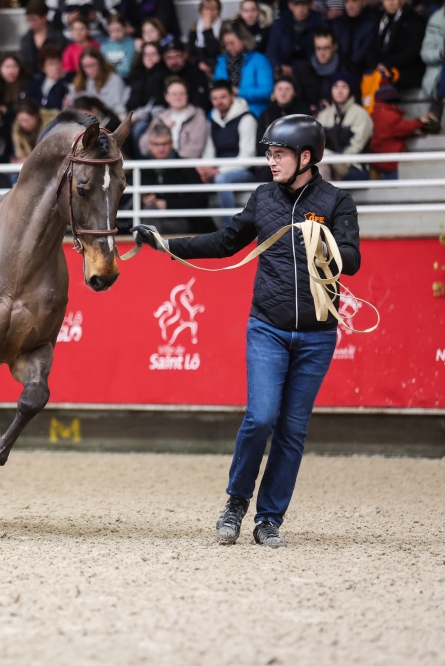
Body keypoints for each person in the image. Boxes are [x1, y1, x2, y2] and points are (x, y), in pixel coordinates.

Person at [131, 115, 362, 549]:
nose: (271, 161)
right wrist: (167, 245)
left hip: (317, 337)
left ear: (306, 157)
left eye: (279, 154)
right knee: (260, 418)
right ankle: (236, 503)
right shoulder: (263, 196)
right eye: (269, 154)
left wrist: (321, 240)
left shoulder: (337, 201)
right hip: (267, 328)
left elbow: (352, 260)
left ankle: (269, 519)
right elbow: (224, 242)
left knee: (292, 431)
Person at [198, 80, 260, 225]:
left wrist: (218, 171)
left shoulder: (247, 119)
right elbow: (209, 153)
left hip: (246, 172)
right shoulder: (212, 122)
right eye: (215, 98)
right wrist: (206, 170)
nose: (219, 102)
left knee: (221, 179)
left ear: (233, 95)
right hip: (220, 171)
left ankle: (230, 228)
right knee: (193, 176)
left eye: (223, 97)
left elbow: (247, 158)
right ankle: (200, 227)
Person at [137, 123, 212, 234]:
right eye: (156, 144)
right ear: (149, 145)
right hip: (154, 220)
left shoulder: (186, 168)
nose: (160, 148)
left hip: (185, 222)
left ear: (172, 144)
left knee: (149, 219)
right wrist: (143, 199)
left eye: (164, 144)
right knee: (149, 211)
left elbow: (201, 201)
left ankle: (150, 241)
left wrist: (168, 204)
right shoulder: (142, 169)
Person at [370, 80, 439, 178]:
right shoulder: (389, 116)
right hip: (391, 162)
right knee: (395, 185)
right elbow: (404, 127)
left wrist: (414, 134)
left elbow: (391, 132)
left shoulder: (374, 114)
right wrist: (419, 121)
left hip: (379, 160)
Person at [317, 72, 374, 180]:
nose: (339, 91)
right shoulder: (324, 116)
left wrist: (337, 160)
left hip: (355, 167)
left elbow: (357, 146)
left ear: (350, 90)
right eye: (335, 86)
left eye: (344, 87)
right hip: (328, 163)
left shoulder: (360, 115)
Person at [212, 20, 274, 117]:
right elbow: (214, 91)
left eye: (232, 43)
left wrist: (239, 92)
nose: (228, 47)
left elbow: (267, 92)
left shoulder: (259, 60)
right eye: (225, 44)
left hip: (253, 113)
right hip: (225, 113)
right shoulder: (222, 62)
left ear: (243, 40)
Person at [138, 77, 209, 159]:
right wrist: (163, 127)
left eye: (182, 93)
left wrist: (177, 160)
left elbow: (195, 148)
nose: (178, 97)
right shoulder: (160, 117)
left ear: (187, 95)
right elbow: (144, 148)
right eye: (174, 94)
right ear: (166, 97)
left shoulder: (197, 116)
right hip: (160, 162)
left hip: (186, 163)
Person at [366, 0, 428, 91]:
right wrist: (376, 64)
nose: (390, 2)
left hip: (404, 72)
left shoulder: (413, 19)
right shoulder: (380, 19)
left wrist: (388, 64)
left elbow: (413, 51)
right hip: (380, 69)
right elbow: (371, 48)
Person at [266, 0, 328, 76]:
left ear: (310, 5)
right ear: (290, 6)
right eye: (297, 5)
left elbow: (318, 56)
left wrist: (294, 69)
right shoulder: (280, 25)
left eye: (304, 5)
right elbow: (271, 52)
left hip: (310, 73)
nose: (300, 9)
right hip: (282, 72)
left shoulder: (320, 25)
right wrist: (279, 67)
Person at [332, 0, 381, 88]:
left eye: (354, 1)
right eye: (347, 1)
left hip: (364, 71)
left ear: (364, 2)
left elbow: (366, 50)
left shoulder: (373, 21)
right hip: (341, 70)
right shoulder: (338, 23)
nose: (350, 6)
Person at [126, 41, 168, 141]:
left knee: (138, 130)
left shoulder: (164, 74)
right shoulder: (136, 73)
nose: (149, 57)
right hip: (133, 113)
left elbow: (158, 103)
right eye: (146, 54)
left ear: (160, 56)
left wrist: (136, 116)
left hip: (154, 115)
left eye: (153, 54)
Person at [293, 28, 342, 112]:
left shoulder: (347, 70)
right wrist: (309, 110)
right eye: (318, 48)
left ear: (335, 47)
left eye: (326, 48)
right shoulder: (303, 72)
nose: (322, 53)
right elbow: (297, 102)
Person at [71, 46, 130, 115]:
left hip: (110, 117)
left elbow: (120, 108)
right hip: (84, 118)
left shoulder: (114, 80)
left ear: (101, 63)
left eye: (93, 65)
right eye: (86, 66)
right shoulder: (78, 82)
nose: (89, 70)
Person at [163, 36, 211, 113]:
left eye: (177, 56)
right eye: (169, 58)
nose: (173, 62)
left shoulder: (197, 73)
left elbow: (201, 102)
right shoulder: (161, 75)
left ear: (185, 55)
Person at [257, 75, 311, 142]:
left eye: (287, 89)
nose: (283, 93)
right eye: (279, 89)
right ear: (274, 92)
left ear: (294, 92)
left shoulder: (303, 115)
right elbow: (260, 144)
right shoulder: (266, 115)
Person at [19, 0, 67, 74]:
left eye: (34, 20)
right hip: (31, 77)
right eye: (29, 20)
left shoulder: (58, 37)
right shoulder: (25, 39)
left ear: (45, 17)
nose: (31, 23)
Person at [26, 45, 70, 110]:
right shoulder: (36, 85)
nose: (56, 67)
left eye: (58, 62)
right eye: (51, 64)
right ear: (43, 68)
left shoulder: (67, 82)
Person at [11, 98, 55, 164]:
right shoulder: (17, 129)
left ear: (36, 116)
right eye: (20, 121)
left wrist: (30, 160)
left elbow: (53, 154)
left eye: (27, 120)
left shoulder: (52, 126)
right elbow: (19, 153)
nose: (24, 124)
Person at [188, 0, 224, 76]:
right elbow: (190, 51)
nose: (210, 13)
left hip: (217, 64)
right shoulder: (195, 27)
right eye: (207, 9)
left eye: (214, 9)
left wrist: (208, 29)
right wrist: (198, 63)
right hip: (199, 66)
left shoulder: (224, 27)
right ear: (201, 11)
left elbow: (213, 51)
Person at [102, 13, 137, 78]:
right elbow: (102, 66)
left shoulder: (131, 44)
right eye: (111, 31)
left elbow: (128, 69)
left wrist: (110, 71)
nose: (115, 35)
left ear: (125, 28)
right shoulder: (105, 46)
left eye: (118, 31)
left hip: (125, 79)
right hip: (108, 79)